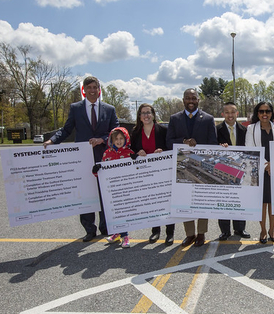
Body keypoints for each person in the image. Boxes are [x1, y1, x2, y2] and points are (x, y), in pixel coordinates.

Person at [44, 76, 119, 242]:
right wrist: (52, 141)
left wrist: (102, 139)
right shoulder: (75, 108)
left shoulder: (109, 109)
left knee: (104, 192)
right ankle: (89, 229)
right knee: (86, 194)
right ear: (84, 90)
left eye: (95, 87)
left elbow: (116, 131)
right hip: (82, 158)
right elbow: (66, 129)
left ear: (99, 90)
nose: (92, 90)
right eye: (89, 88)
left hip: (103, 157)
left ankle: (106, 227)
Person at [165, 88, 218, 247]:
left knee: (202, 200)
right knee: (185, 200)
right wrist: (183, 142)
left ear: (198, 100)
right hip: (182, 166)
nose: (190, 101)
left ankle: (201, 234)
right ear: (183, 100)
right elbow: (169, 141)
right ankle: (190, 234)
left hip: (201, 166)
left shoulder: (208, 119)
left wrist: (198, 145)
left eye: (193, 98)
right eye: (187, 98)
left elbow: (213, 143)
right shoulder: (174, 119)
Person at [130, 103, 176, 244]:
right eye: (143, 113)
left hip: (162, 172)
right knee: (152, 202)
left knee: (167, 202)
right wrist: (137, 153)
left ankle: (170, 233)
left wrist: (163, 150)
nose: (146, 115)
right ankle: (155, 231)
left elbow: (171, 147)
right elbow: (131, 151)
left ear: (153, 114)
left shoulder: (163, 130)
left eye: (148, 112)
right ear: (139, 116)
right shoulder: (136, 132)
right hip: (146, 174)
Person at [246, 101, 274, 243]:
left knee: (273, 203)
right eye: (261, 111)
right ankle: (263, 230)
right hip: (259, 170)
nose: (264, 114)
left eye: (267, 111)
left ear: (271, 113)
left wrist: (273, 164)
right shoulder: (251, 129)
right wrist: (266, 165)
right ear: (257, 114)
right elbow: (250, 150)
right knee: (262, 203)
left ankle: (272, 230)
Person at [216, 102, 251, 241]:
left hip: (240, 170)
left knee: (240, 200)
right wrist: (219, 147)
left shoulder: (245, 130)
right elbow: (211, 147)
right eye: (227, 112)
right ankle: (225, 231)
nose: (230, 115)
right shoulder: (216, 130)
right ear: (222, 114)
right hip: (223, 169)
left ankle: (240, 228)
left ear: (237, 114)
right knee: (224, 200)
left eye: (233, 112)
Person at [99, 127, 135, 248]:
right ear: (112, 140)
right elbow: (101, 172)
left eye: (121, 138)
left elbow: (137, 171)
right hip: (111, 189)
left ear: (126, 139)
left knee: (123, 212)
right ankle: (116, 233)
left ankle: (125, 236)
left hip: (125, 188)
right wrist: (96, 170)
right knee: (113, 212)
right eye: (116, 139)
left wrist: (136, 161)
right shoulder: (106, 153)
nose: (119, 141)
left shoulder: (129, 153)